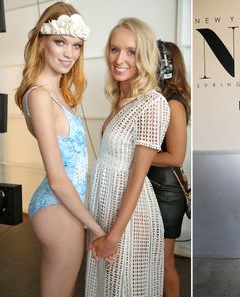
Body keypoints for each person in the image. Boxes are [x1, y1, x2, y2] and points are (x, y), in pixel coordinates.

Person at [14, 3, 106, 296]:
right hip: (58, 207)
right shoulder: (40, 96)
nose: (69, 53)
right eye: (60, 42)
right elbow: (57, 178)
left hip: (64, 205)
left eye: (76, 45)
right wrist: (96, 227)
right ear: (42, 42)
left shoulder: (57, 92)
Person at [85, 18, 170, 296]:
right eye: (114, 49)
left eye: (131, 52)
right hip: (105, 206)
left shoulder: (152, 103)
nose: (120, 59)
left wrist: (115, 236)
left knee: (125, 288)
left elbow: (138, 175)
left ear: (144, 56)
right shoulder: (119, 98)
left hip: (129, 216)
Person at [147, 40, 191, 297]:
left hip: (166, 192)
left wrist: (137, 155)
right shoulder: (158, 99)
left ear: (166, 66)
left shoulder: (173, 103)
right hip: (153, 185)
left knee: (164, 263)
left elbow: (175, 157)